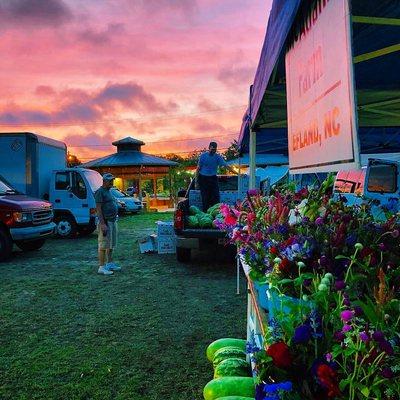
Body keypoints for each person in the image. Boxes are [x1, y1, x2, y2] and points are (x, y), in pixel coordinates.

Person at [195, 141, 237, 211]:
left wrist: (237, 173)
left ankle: (216, 213)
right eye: (212, 149)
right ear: (209, 148)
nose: (213, 151)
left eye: (214, 150)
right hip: (203, 178)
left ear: (216, 149)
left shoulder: (218, 157)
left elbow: (226, 166)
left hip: (213, 178)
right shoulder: (203, 156)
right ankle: (206, 213)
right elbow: (198, 169)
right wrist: (196, 182)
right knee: (205, 197)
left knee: (216, 197)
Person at [95, 173, 121, 275]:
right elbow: (99, 209)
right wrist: (102, 224)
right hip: (105, 222)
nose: (112, 182)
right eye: (110, 180)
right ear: (104, 181)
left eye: (112, 180)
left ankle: (109, 263)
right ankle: (101, 267)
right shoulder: (100, 192)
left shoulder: (108, 191)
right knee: (103, 244)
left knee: (111, 244)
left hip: (112, 221)